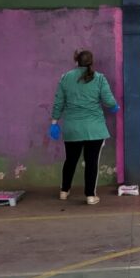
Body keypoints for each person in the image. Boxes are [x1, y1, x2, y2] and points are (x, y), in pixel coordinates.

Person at [51, 50, 120, 205]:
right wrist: (115, 106)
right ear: (91, 62)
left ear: (76, 61)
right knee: (91, 162)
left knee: (70, 161)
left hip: (72, 128)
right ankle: (90, 195)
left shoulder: (65, 78)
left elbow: (58, 102)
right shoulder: (100, 78)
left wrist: (54, 122)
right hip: (94, 130)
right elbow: (109, 101)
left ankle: (64, 191)